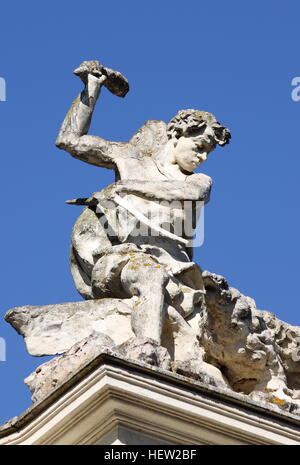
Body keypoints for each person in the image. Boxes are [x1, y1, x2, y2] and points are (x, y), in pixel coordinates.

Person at [56, 61, 230, 346]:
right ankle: (146, 349)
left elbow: (191, 195)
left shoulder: (198, 180)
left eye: (209, 152)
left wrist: (129, 187)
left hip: (173, 264)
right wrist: (92, 88)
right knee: (150, 275)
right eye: (199, 147)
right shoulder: (130, 158)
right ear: (176, 133)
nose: (203, 158)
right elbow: (69, 140)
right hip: (117, 254)